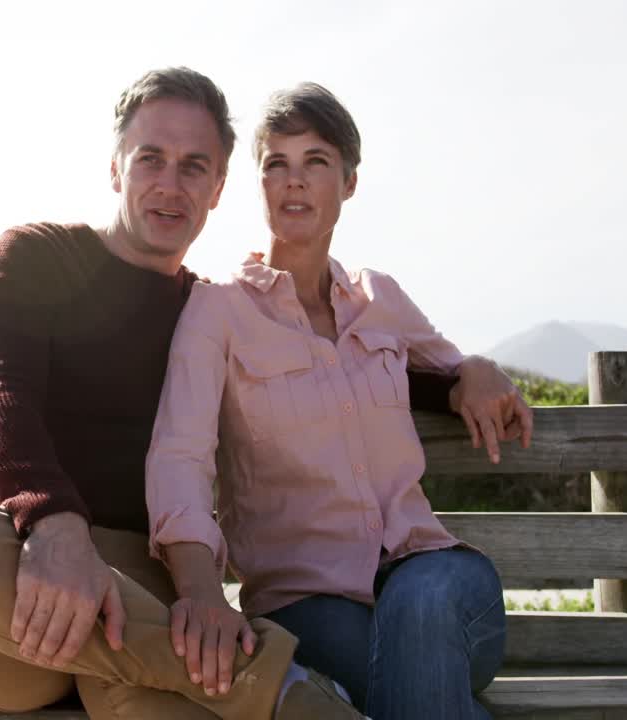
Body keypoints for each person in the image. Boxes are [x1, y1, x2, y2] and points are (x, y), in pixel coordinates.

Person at [0, 67, 520, 720]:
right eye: (151, 159)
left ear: (217, 188)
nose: (170, 183)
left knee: (137, 679)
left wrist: (466, 371)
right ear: (114, 168)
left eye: (194, 167)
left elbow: (352, 367)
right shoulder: (37, 256)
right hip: (15, 573)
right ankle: (289, 694)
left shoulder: (208, 312)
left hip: (136, 587)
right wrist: (56, 529)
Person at [146, 82, 533, 720]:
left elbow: (449, 365)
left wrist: (480, 367)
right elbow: (180, 455)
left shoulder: (380, 299)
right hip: (308, 606)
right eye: (277, 164)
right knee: (414, 683)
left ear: (348, 182)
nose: (294, 182)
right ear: (260, 184)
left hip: (436, 579)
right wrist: (199, 589)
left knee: (423, 607)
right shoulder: (217, 312)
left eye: (315, 163)